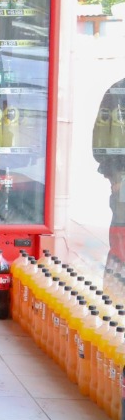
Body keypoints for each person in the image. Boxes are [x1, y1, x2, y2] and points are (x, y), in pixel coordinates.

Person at [94, 77, 125, 277]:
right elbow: (101, 144)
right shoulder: (118, 92)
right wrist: (115, 178)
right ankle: (117, 293)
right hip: (123, 178)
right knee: (121, 240)